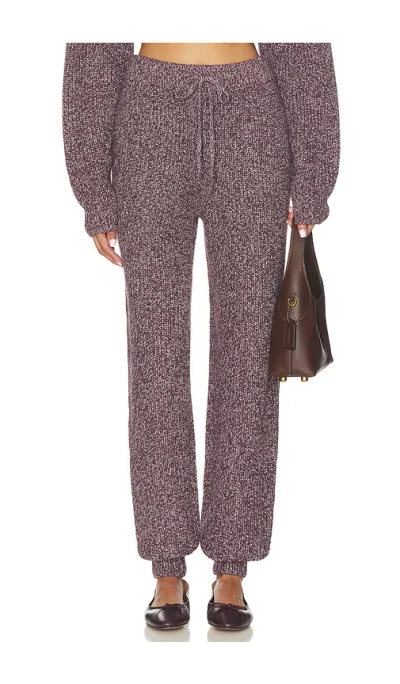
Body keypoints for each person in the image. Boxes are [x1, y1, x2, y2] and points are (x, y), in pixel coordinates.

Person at [62, 42, 340, 631]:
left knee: (248, 357)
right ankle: (167, 566)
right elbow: (94, 45)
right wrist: (95, 192)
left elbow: (301, 38)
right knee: (155, 356)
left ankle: (232, 565)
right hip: (147, 120)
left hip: (254, 119)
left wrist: (314, 176)